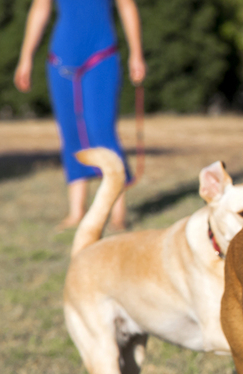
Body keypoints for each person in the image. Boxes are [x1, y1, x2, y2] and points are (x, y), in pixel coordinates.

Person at [14, 0, 146, 230]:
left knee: (101, 130)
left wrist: (136, 54)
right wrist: (26, 57)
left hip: (101, 56)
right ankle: (76, 211)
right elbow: (40, 9)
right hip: (60, 60)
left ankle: (118, 213)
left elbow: (127, 7)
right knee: (70, 133)